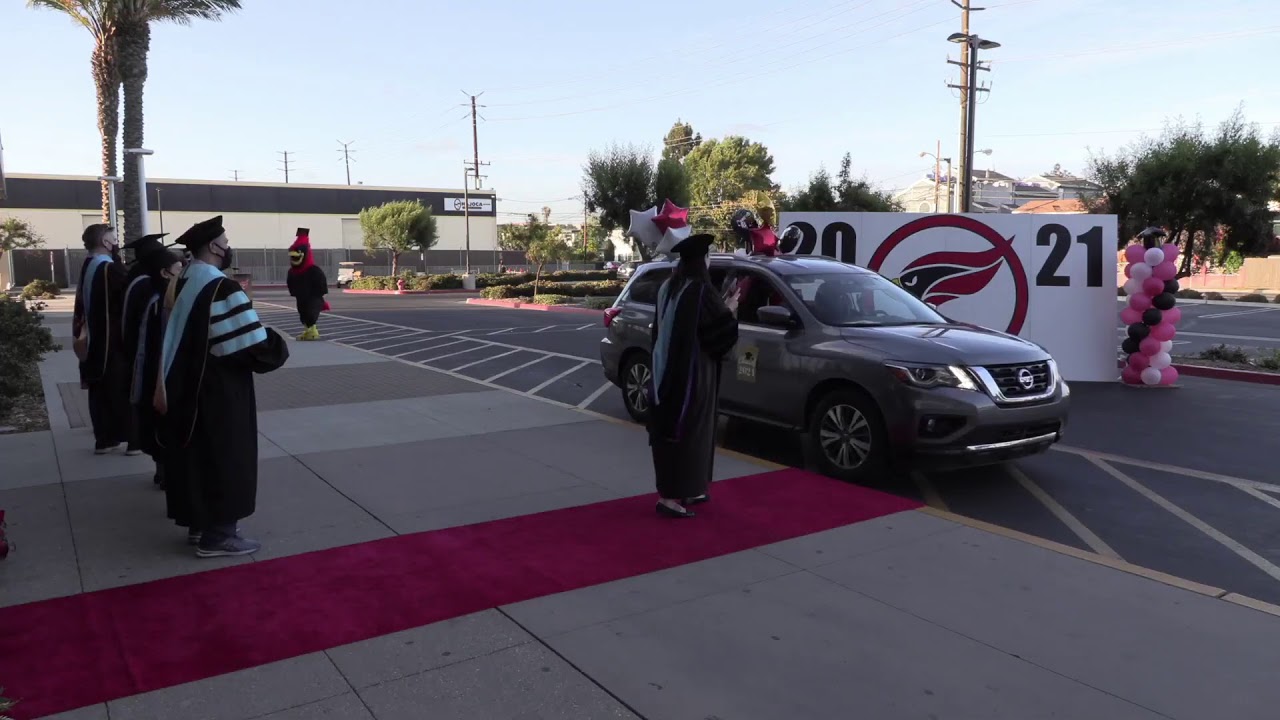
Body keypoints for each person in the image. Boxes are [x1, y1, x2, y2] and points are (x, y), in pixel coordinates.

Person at [154, 216, 289, 557]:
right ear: (214, 247)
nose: (228, 248)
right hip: (218, 392)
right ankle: (220, 535)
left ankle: (200, 526)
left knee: (198, 456)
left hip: (188, 386)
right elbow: (251, 350)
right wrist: (274, 341)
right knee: (224, 457)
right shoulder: (220, 287)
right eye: (225, 242)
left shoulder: (184, 280)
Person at [647, 233, 739, 518]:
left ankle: (686, 489)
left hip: (665, 370)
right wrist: (732, 307)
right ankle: (674, 496)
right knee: (692, 431)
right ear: (702, 262)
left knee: (673, 428)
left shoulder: (668, 288)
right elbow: (719, 331)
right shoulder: (700, 290)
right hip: (694, 373)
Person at [121, 234, 180, 489]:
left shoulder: (137, 283)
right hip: (155, 370)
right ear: (165, 272)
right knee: (160, 423)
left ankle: (161, 469)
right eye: (178, 268)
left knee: (154, 422)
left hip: (141, 364)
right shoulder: (156, 298)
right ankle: (166, 471)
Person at [72, 223, 132, 454]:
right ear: (106, 243)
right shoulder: (108, 268)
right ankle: (123, 435)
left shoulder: (89, 264)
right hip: (112, 341)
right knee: (115, 387)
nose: (116, 242)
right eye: (113, 238)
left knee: (99, 389)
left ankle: (104, 438)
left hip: (94, 340)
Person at [285, 227, 329, 340]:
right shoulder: (293, 272)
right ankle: (308, 330)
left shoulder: (313, 271)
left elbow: (321, 284)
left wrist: (319, 294)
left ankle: (312, 331)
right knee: (302, 312)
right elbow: (290, 283)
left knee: (310, 311)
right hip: (302, 297)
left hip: (312, 297)